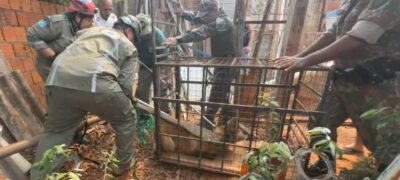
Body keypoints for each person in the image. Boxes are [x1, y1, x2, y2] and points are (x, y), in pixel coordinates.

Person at [274, 0, 400, 176]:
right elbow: (331, 34)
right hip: (344, 82)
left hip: (377, 87)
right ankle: (325, 164)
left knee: (383, 142)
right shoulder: (351, 2)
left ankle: (384, 174)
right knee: (320, 122)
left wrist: (306, 61)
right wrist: (299, 57)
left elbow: (359, 37)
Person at [30, 15, 142, 179]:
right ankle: (122, 167)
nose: (134, 41)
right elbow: (125, 86)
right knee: (127, 119)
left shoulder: (88, 31)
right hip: (96, 83)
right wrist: (122, 105)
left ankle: (38, 175)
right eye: (135, 38)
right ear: (129, 31)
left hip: (56, 80)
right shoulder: (129, 47)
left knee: (55, 133)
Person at [164, 0, 236, 130]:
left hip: (227, 65)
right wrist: (183, 13)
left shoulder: (222, 22)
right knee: (222, 93)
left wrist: (178, 39)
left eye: (206, 16)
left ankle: (206, 125)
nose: (204, 18)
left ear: (214, 11)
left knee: (216, 93)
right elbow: (198, 17)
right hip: (222, 63)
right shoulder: (214, 18)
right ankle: (227, 120)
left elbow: (202, 31)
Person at [27, 0, 96, 81]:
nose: (91, 23)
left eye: (92, 19)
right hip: (49, 67)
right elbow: (32, 33)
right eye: (89, 19)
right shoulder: (58, 23)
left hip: (65, 68)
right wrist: (49, 53)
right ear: (78, 16)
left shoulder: (79, 29)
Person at [135, 13, 169, 113]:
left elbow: (166, 60)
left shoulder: (159, 38)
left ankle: (164, 113)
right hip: (144, 64)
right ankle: (144, 113)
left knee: (162, 88)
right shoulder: (134, 34)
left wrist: (167, 77)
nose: (143, 36)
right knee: (142, 90)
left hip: (159, 65)